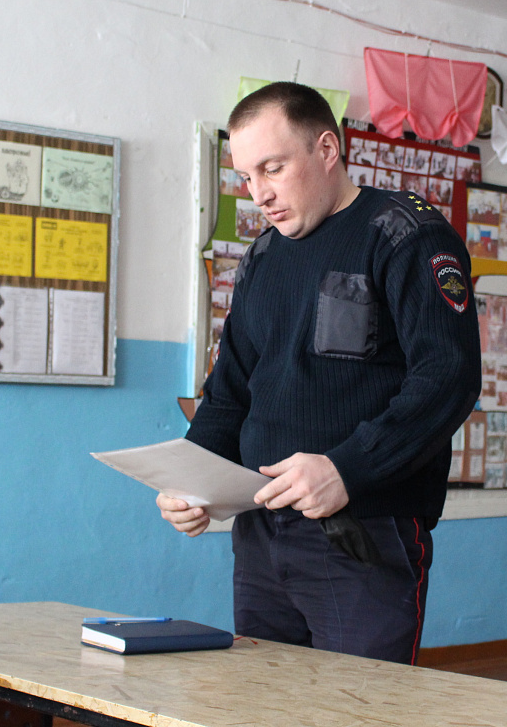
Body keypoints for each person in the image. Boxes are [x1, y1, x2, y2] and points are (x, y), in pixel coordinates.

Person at [156, 82, 481, 664]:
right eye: (247, 176)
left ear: (327, 149)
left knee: (359, 711)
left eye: (272, 169)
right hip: (261, 533)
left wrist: (346, 468)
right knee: (265, 707)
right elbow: (231, 390)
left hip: (361, 533)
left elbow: (447, 379)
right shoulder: (261, 257)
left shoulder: (405, 235)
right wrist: (193, 478)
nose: (258, 194)